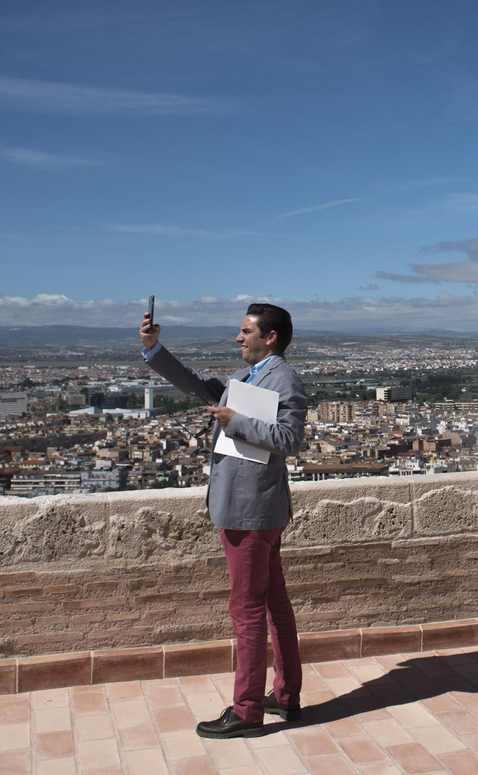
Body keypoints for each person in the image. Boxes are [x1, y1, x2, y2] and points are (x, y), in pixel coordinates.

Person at [140, 302, 308, 738]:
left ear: (270, 337)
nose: (238, 337)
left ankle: (247, 710)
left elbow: (290, 440)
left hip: (250, 510)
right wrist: (155, 349)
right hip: (255, 508)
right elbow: (198, 385)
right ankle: (286, 695)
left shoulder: (283, 378)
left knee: (246, 610)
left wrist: (236, 422)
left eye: (246, 331)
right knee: (272, 604)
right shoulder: (249, 377)